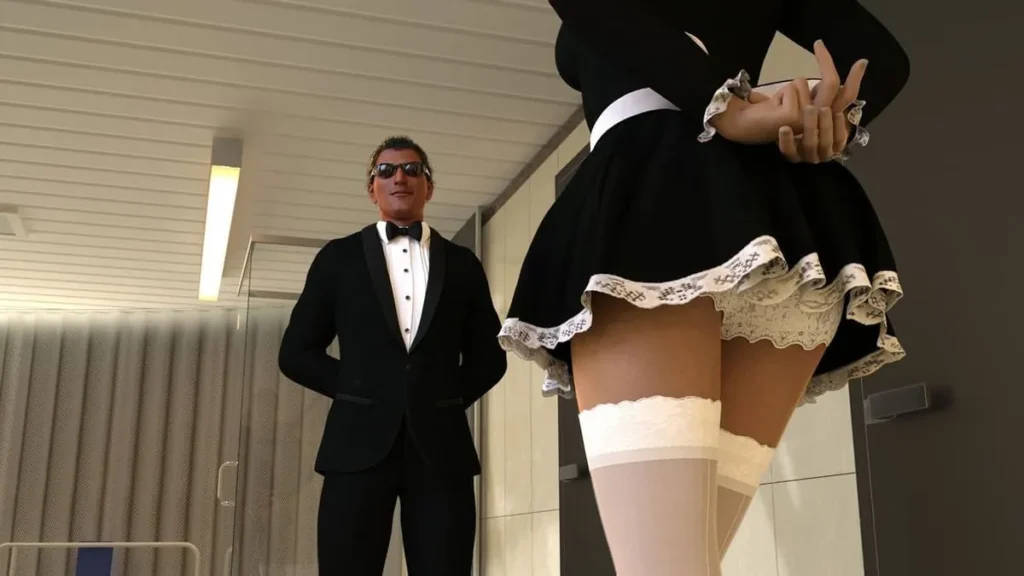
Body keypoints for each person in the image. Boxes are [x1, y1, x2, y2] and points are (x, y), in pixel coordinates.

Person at [498, 1, 910, 574]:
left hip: (654, 201)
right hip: (780, 227)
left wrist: (736, 110)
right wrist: (815, 118)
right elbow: (881, 58)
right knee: (689, 560)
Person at [279, 135, 507, 575]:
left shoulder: (463, 263)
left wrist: (443, 398)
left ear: (429, 187)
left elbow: (490, 357)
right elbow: (296, 353)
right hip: (355, 447)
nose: (399, 177)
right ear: (372, 189)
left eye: (412, 169)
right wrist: (359, 389)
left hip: (442, 451)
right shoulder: (337, 258)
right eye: (386, 171)